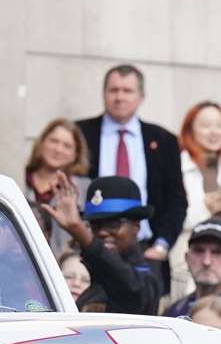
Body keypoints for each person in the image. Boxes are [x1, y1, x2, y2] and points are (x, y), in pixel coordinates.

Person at [76, 66, 185, 276]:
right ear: (103, 93)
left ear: (141, 96)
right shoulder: (81, 133)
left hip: (146, 252)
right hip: (91, 247)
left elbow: (176, 200)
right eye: (113, 90)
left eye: (127, 91)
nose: (119, 97)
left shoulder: (163, 140)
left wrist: (161, 246)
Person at [172, 102, 221, 303]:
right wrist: (210, 211)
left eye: (219, 125)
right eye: (206, 125)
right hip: (187, 261)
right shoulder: (176, 166)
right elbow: (173, 216)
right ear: (190, 130)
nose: (214, 132)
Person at [77, 175, 160, 315]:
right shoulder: (95, 285)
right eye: (95, 225)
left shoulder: (145, 278)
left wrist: (79, 232)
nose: (102, 232)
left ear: (136, 225)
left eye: (113, 224)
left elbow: (130, 288)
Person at [24, 118, 93, 259]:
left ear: (76, 154)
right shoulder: (18, 179)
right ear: (41, 143)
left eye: (67, 146)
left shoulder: (84, 189)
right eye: (53, 141)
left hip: (64, 270)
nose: (58, 149)